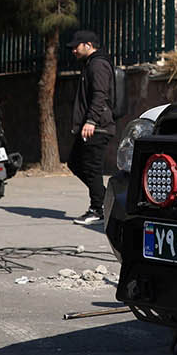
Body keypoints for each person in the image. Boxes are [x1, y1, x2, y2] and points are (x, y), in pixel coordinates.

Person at [68, 29, 115, 226]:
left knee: (91, 168)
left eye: (76, 47)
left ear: (88, 45)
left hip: (98, 126)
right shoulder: (90, 64)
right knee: (75, 163)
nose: (73, 51)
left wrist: (91, 120)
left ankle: (98, 209)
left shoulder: (98, 64)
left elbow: (100, 94)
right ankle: (105, 200)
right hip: (91, 126)